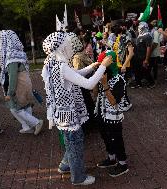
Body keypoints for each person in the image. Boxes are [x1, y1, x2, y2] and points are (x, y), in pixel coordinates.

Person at [42, 31, 112, 185]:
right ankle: (78, 177)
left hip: (62, 113)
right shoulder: (61, 66)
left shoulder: (52, 62)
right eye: (67, 45)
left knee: (71, 141)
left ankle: (65, 165)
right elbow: (88, 84)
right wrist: (103, 67)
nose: (70, 48)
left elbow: (75, 74)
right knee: (75, 144)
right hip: (69, 115)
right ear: (60, 48)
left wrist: (93, 66)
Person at [0, 30, 43, 135]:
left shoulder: (10, 56)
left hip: (19, 85)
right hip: (26, 82)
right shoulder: (20, 53)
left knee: (14, 108)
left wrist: (10, 93)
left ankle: (36, 123)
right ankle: (27, 127)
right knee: (26, 105)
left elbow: (13, 77)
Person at [95, 50, 129, 177]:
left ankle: (122, 163)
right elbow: (96, 94)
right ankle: (111, 158)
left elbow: (114, 101)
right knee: (106, 137)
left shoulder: (119, 80)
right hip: (102, 113)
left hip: (113, 116)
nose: (101, 67)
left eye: (104, 65)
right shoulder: (103, 76)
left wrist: (104, 85)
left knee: (116, 139)